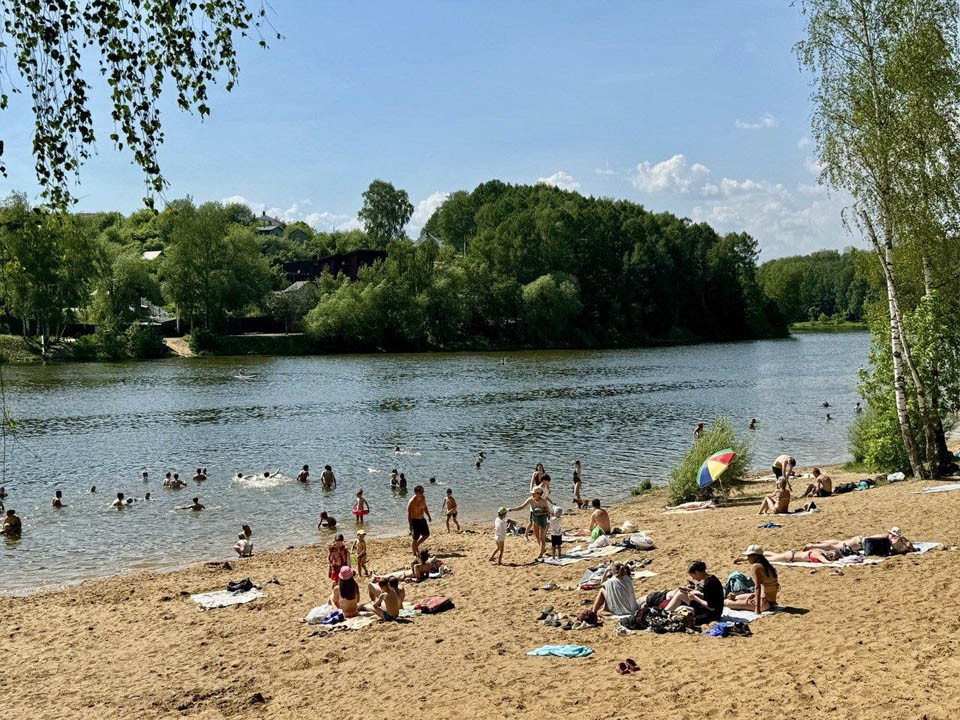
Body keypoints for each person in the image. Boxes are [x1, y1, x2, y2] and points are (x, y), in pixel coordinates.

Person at [725, 545, 779, 614]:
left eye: (749, 556)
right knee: (734, 598)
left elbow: (757, 587)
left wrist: (757, 608)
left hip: (763, 603)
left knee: (727, 602)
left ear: (755, 556)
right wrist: (742, 559)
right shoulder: (767, 565)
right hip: (771, 602)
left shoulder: (756, 567)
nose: (748, 558)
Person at [508, 487, 551, 559]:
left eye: (533, 493)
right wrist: (511, 509)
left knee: (542, 537)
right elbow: (521, 507)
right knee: (537, 535)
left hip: (542, 519)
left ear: (538, 494)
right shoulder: (530, 499)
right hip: (535, 518)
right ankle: (542, 549)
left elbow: (547, 511)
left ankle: (540, 554)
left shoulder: (543, 501)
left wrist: (540, 512)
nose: (532, 494)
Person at [407, 485, 432, 556]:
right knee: (415, 538)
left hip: (422, 519)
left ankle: (416, 545)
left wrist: (429, 516)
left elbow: (425, 507)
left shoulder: (423, 498)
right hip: (414, 521)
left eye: (423, 491)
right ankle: (414, 553)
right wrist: (410, 525)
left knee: (426, 534)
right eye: (421, 492)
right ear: (416, 492)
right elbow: (409, 514)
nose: (422, 493)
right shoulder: (412, 502)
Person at [750, 547, 839, 564]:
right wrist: (834, 561)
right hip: (791, 557)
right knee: (770, 560)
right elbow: (827, 562)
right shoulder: (819, 554)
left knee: (775, 555)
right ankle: (749, 558)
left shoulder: (820, 551)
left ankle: (761, 552)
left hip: (792, 554)